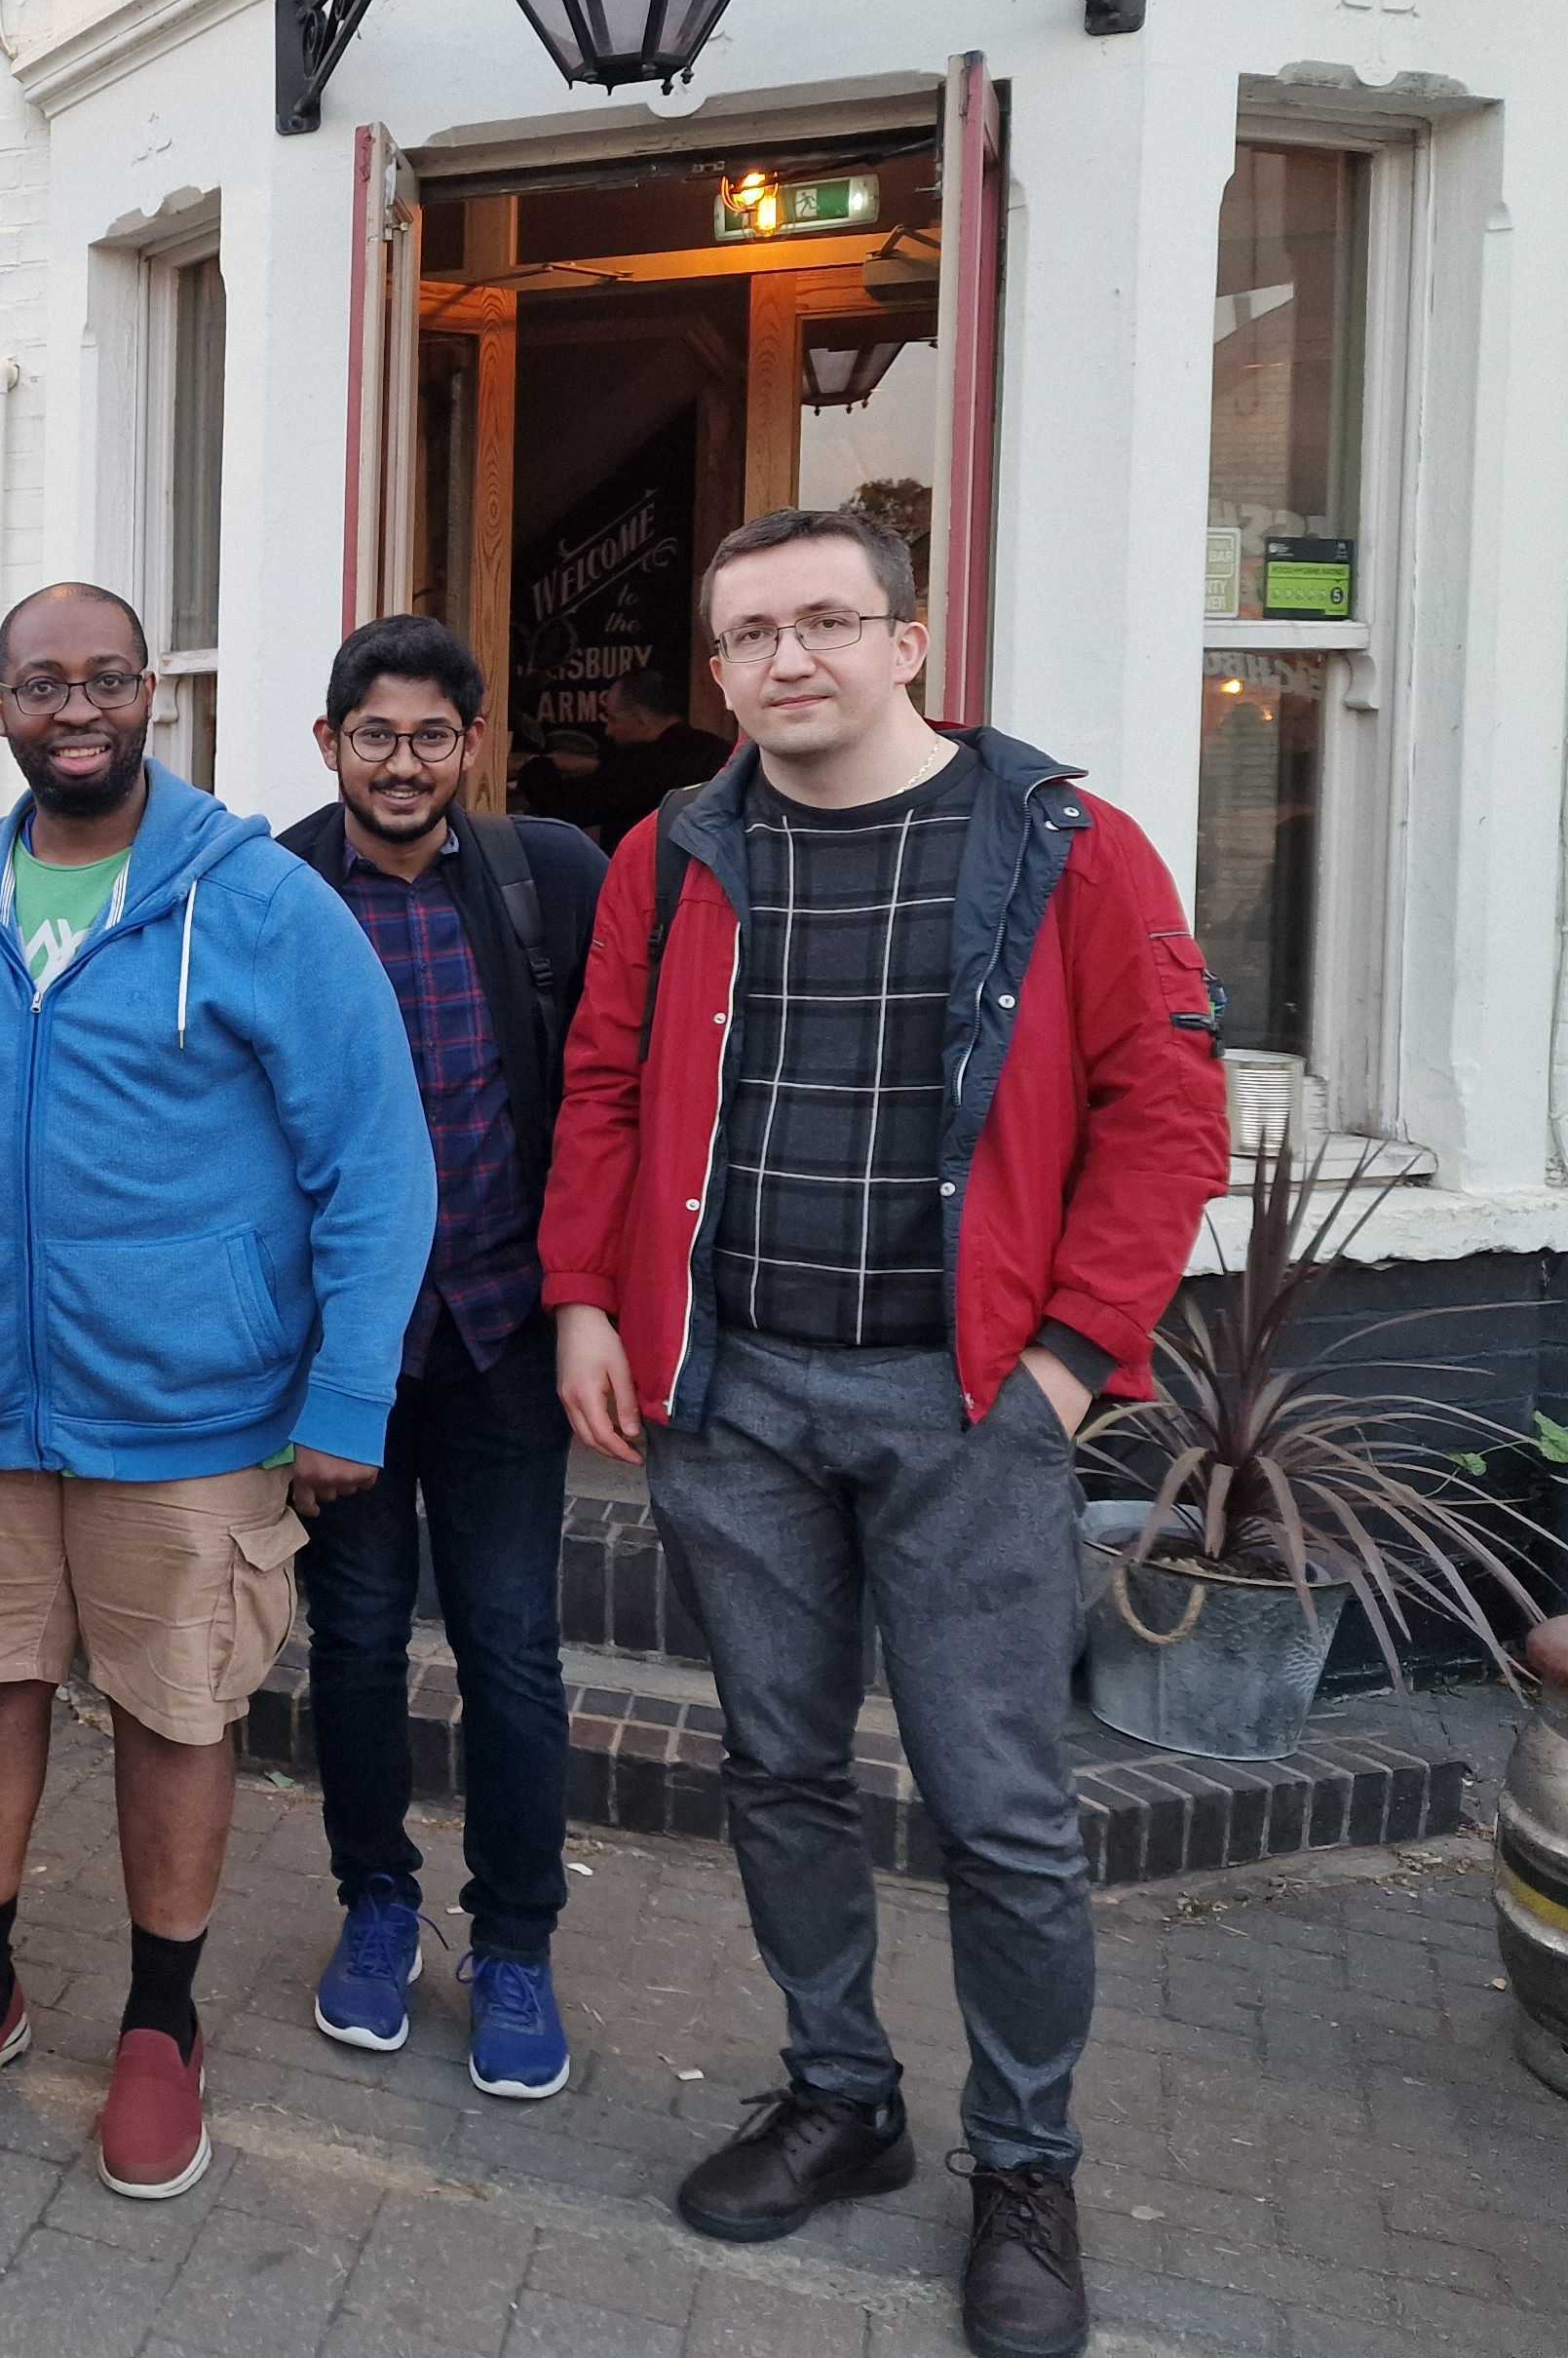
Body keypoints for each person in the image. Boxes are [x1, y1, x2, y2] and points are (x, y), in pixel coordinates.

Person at [543, 506, 1224, 2358]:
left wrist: (1074, 1362)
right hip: (737, 1388)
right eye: (750, 634)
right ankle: (840, 2095)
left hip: (969, 1400)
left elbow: (1165, 1112)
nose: (788, 662)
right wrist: (590, 1296)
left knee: (1000, 1810)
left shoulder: (1062, 848)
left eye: (828, 622)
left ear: (909, 642)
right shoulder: (677, 852)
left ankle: (1026, 2163)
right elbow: (604, 1081)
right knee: (776, 1765)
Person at [0, 585, 435, 2205]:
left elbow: (375, 1161)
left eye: (104, 677)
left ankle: (163, 2024)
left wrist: (350, 1392)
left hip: (191, 1408)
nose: (74, 706)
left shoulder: (260, 905)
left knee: (178, 1709)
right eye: (42, 681)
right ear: (2, 703)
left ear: (151, 693)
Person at [275, 615, 605, 2099]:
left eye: (429, 737)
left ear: (470, 747)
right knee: (352, 1646)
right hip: (346, 1351)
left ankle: (516, 1940)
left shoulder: (548, 882)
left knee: (511, 1650)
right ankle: (377, 1906)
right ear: (331, 744)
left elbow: (609, 1094)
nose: (400, 765)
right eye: (373, 736)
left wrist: (601, 1302)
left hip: (500, 1336)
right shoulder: (273, 891)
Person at [577, 665, 733, 845]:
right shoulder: (716, 750)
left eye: (613, 719)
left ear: (641, 720)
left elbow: (583, 807)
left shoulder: (636, 769)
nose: (608, 731)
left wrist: (543, 769)